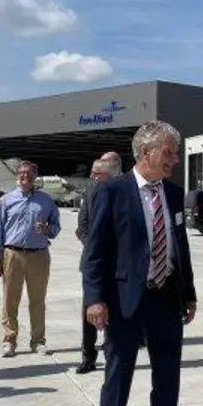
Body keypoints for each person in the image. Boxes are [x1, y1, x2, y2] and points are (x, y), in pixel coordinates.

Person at [82, 122, 197, 406]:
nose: (174, 160)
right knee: (118, 382)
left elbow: (180, 245)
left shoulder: (174, 194)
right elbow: (95, 252)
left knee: (167, 384)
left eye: (175, 153)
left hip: (166, 299)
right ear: (146, 152)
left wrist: (188, 292)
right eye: (169, 153)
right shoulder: (112, 191)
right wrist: (94, 298)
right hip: (124, 303)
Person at [0, 161, 59, 357]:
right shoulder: (6, 200)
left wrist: (48, 229)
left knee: (37, 300)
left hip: (39, 255)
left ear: (35, 176)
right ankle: (9, 340)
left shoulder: (46, 200)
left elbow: (56, 227)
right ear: (16, 176)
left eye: (29, 173)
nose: (24, 176)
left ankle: (38, 341)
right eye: (21, 173)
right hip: (12, 254)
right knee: (10, 301)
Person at [73, 156, 117, 373]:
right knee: (89, 311)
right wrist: (95, 248)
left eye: (96, 173)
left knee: (115, 312)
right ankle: (88, 357)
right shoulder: (89, 193)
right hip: (93, 264)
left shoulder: (123, 192)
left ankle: (112, 353)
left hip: (118, 265)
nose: (91, 176)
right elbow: (81, 227)